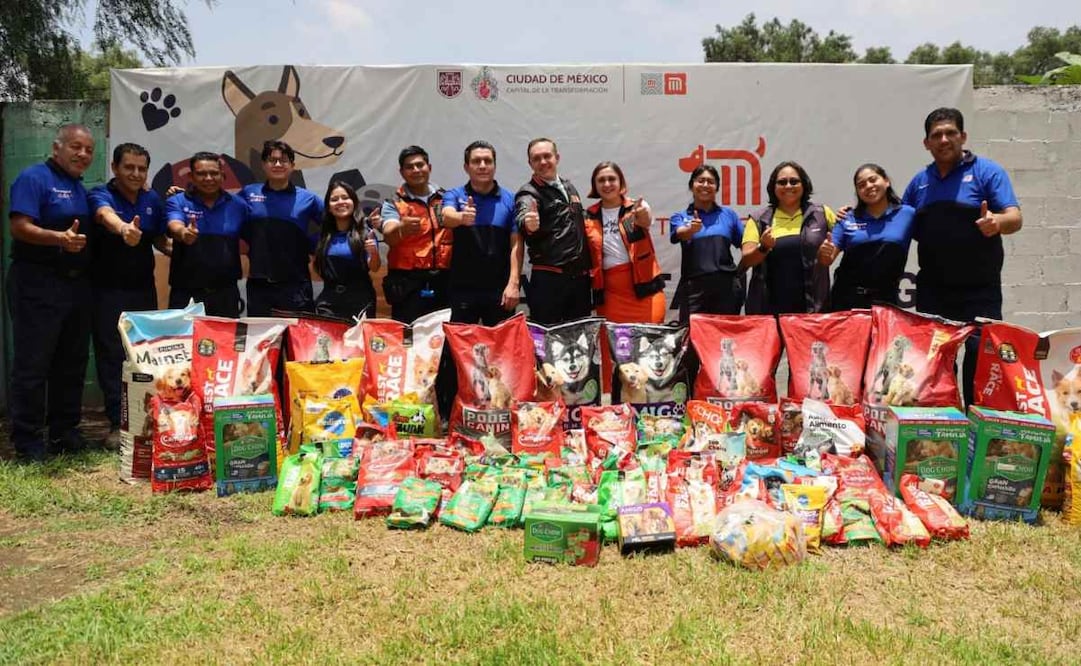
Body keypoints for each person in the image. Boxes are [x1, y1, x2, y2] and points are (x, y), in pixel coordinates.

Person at [902, 107, 1022, 406]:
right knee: (939, 362)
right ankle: (946, 423)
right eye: (936, 135)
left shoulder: (987, 171)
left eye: (950, 133)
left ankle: (976, 425)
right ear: (926, 143)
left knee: (981, 359)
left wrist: (997, 223)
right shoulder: (919, 183)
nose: (944, 139)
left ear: (963, 136)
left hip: (980, 290)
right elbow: (896, 222)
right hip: (933, 289)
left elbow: (1015, 217)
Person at [6, 123, 95, 461]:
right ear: (56, 147)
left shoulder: (77, 186)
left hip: (75, 286)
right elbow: (19, 226)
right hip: (37, 282)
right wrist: (59, 238)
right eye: (76, 147)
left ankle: (64, 433)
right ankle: (27, 442)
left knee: (71, 362)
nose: (83, 154)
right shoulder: (34, 178)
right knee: (33, 364)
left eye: (88, 149)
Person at [88, 143, 170, 447]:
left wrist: (186, 250)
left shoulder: (152, 199)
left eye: (141, 168)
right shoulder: (101, 194)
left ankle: (146, 422)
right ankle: (116, 424)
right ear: (115, 168)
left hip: (143, 292)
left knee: (144, 357)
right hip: (106, 292)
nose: (136, 174)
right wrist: (124, 229)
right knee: (112, 358)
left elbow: (160, 239)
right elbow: (105, 215)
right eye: (129, 167)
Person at [441, 141, 522, 325]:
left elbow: (516, 244)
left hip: (500, 290)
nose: (483, 166)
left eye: (488, 161)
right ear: (466, 167)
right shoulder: (454, 195)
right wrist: (462, 217)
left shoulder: (510, 199)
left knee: (501, 349)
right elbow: (446, 216)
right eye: (477, 161)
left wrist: (514, 284)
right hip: (462, 289)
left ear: (494, 165)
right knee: (460, 349)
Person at [239, 141, 324, 316]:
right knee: (261, 342)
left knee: (296, 341)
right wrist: (188, 196)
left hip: (296, 283)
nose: (278, 164)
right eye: (272, 160)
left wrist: (311, 244)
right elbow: (220, 207)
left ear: (292, 166)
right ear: (263, 165)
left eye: (283, 160)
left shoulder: (308, 198)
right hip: (259, 284)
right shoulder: (249, 193)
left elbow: (336, 223)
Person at [742, 161, 837, 315]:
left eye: (794, 181)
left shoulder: (822, 213)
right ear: (773, 187)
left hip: (813, 311)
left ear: (804, 184)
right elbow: (747, 260)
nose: (788, 186)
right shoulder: (759, 219)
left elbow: (848, 235)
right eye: (782, 182)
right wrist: (763, 247)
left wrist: (850, 214)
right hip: (768, 312)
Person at [514, 138, 592, 325]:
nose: (542, 162)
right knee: (548, 344)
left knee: (580, 342)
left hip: (579, 280)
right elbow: (524, 215)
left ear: (557, 157)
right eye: (536, 158)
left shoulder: (569, 187)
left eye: (547, 156)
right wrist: (528, 222)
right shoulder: (528, 192)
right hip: (550, 280)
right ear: (530, 163)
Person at [818, 163, 916, 311]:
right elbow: (826, 259)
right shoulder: (847, 218)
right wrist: (823, 252)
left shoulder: (908, 214)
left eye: (873, 180)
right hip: (846, 301)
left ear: (886, 181)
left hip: (887, 302)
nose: (869, 186)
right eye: (861, 185)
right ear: (858, 192)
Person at [165, 152, 250, 317]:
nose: (209, 178)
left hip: (226, 295)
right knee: (185, 342)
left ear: (223, 175)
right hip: (186, 295)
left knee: (227, 343)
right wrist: (184, 233)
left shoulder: (238, 205)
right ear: (191, 176)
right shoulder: (177, 201)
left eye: (214, 173)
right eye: (201, 174)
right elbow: (174, 224)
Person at [583, 161, 665, 323]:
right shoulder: (588, 216)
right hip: (610, 295)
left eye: (612, 179)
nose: (607, 184)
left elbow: (646, 220)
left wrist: (642, 214)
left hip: (645, 290)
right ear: (595, 185)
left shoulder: (635, 207)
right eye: (601, 180)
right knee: (613, 346)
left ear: (621, 182)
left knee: (650, 344)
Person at [379, 146, 451, 323]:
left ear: (429, 167)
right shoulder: (393, 202)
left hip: (444, 282)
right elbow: (389, 234)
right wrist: (401, 228)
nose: (416, 170)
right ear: (402, 172)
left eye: (420, 165)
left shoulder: (447, 198)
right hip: (408, 285)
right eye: (410, 167)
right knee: (409, 341)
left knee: (444, 341)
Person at [668, 164, 744, 322]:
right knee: (693, 341)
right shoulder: (680, 217)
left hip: (726, 290)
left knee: (725, 341)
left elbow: (747, 246)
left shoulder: (728, 215)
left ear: (716, 188)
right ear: (692, 186)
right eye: (700, 180)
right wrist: (691, 229)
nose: (705, 185)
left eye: (710, 182)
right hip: (694, 290)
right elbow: (680, 233)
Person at [312, 181, 380, 319]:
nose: (340, 202)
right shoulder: (322, 236)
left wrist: (373, 252)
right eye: (334, 199)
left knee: (357, 341)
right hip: (328, 302)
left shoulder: (366, 233)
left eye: (345, 197)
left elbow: (374, 267)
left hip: (360, 301)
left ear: (354, 202)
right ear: (329, 207)